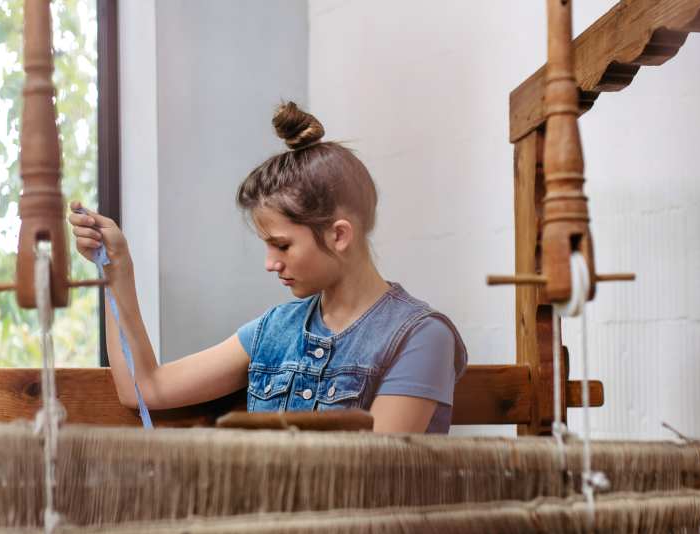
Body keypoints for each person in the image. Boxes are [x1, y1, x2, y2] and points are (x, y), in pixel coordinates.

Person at [69, 102, 467, 433]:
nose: (270, 263)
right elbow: (145, 388)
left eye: (282, 245)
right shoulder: (273, 331)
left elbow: (370, 477)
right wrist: (117, 269)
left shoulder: (423, 337)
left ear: (339, 235)